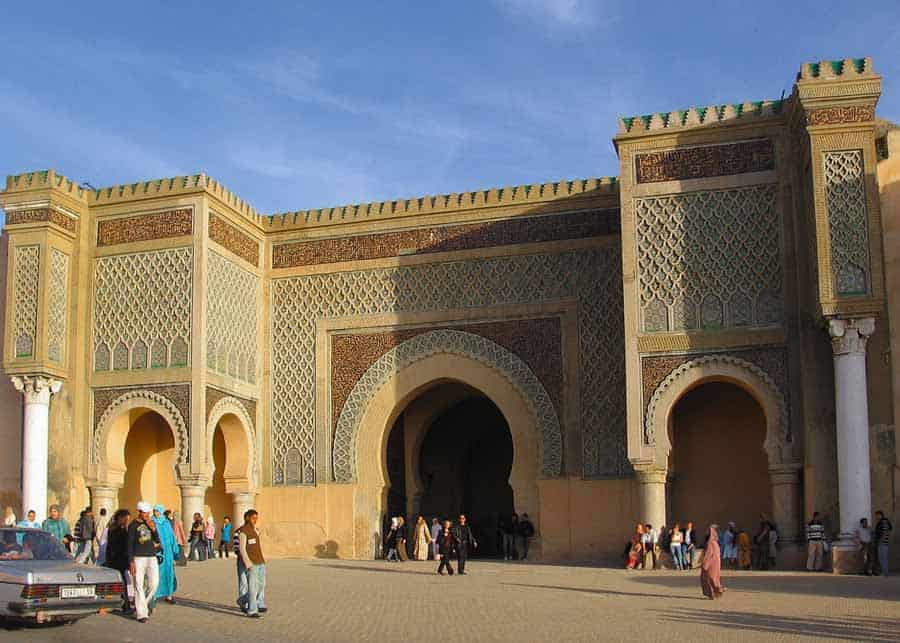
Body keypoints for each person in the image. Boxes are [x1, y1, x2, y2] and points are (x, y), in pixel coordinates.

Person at [127, 501, 160, 623]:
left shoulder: (151, 523)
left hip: (151, 556)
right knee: (138, 585)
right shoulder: (133, 526)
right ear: (139, 512)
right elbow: (129, 544)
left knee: (154, 584)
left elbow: (157, 540)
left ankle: (142, 604)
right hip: (138, 558)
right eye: (144, 513)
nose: (146, 515)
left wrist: (153, 529)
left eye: (148, 513)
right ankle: (142, 614)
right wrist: (131, 561)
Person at [236, 509, 267, 617]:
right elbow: (242, 548)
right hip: (251, 562)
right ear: (247, 518)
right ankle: (252, 610)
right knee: (253, 586)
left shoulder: (255, 530)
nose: (255, 520)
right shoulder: (243, 531)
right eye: (253, 518)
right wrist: (247, 562)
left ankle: (242, 600)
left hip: (260, 561)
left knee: (260, 585)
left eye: (256, 518)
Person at [104, 509, 132, 613]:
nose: (128, 520)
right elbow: (119, 546)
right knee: (121, 583)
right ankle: (126, 605)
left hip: (115, 559)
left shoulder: (115, 528)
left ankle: (123, 604)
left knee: (119, 582)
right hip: (117, 559)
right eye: (127, 518)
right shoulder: (118, 529)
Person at [152, 504, 178, 605]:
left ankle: (169, 595)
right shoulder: (152, 522)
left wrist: (175, 551)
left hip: (168, 553)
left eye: (157, 511)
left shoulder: (166, 522)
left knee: (169, 573)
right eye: (154, 511)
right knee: (156, 573)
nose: (156, 513)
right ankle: (154, 595)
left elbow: (172, 537)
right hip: (157, 552)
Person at [700, 524, 726, 600]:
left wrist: (705, 565)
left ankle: (716, 592)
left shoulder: (710, 543)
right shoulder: (715, 543)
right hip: (715, 564)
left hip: (711, 564)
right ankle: (717, 591)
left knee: (709, 579)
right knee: (714, 579)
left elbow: (708, 555)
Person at [874, 510, 893, 576]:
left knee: (883, 558)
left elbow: (885, 532)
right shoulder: (883, 522)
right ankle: (885, 572)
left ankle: (885, 573)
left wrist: (880, 541)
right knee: (882, 558)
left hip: (882, 543)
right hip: (883, 542)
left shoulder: (883, 522)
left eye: (876, 515)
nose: (876, 517)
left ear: (880, 515)